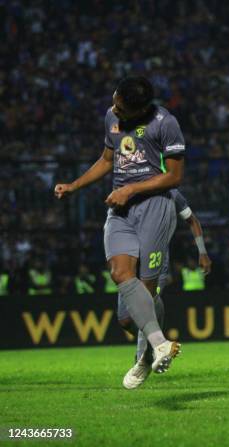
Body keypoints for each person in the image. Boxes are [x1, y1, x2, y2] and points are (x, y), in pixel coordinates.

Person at [54, 76, 185, 375]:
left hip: (155, 208)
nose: (115, 109)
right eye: (115, 101)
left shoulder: (166, 123)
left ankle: (144, 360)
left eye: (122, 108)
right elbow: (106, 159)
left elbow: (175, 177)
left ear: (141, 110)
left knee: (142, 301)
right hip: (121, 209)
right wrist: (74, 186)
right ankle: (159, 344)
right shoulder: (111, 116)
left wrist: (132, 189)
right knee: (121, 284)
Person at [121, 189, 212, 389]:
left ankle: (143, 358)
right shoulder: (129, 188)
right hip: (130, 263)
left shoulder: (172, 194)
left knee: (147, 302)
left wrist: (202, 252)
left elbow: (193, 221)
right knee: (125, 320)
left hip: (156, 262)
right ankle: (153, 341)